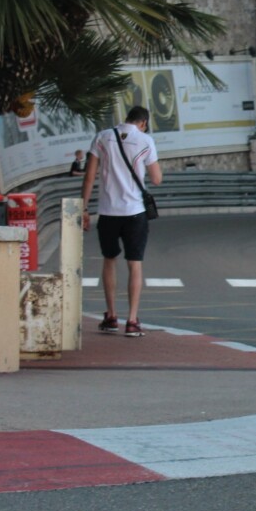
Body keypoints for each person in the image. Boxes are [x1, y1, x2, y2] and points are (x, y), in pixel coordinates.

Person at [81, 106, 161, 338]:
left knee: (109, 260)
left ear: (126, 119)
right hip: (135, 211)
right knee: (134, 263)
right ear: (144, 122)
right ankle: (133, 320)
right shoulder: (145, 141)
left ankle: (111, 316)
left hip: (108, 211)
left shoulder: (102, 137)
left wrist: (84, 208)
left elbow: (89, 177)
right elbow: (156, 179)